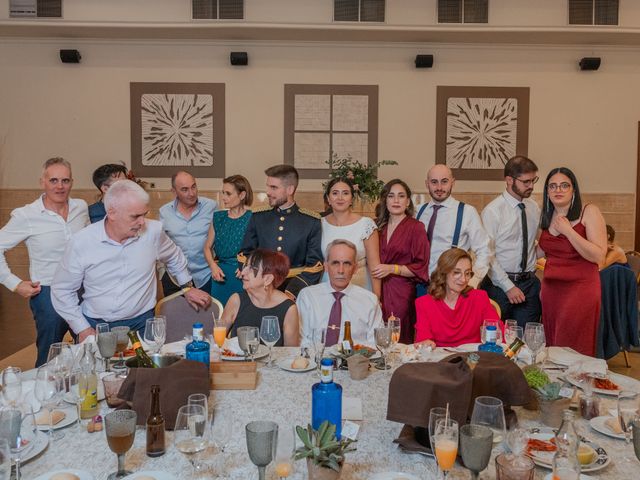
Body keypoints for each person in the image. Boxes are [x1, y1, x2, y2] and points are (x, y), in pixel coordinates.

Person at [51, 180, 211, 342]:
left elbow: (174, 256)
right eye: (135, 216)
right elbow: (62, 290)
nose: (142, 222)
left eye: (144, 214)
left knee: (144, 368)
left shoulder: (153, 232)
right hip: (97, 325)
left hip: (142, 324)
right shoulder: (82, 242)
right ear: (112, 213)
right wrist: (82, 328)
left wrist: (187, 287)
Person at [0, 157, 89, 366]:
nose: (60, 186)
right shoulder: (26, 215)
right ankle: (44, 395)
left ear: (72, 182)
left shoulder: (81, 208)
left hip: (85, 290)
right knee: (50, 357)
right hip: (49, 293)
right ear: (43, 182)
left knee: (87, 352)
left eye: (65, 181)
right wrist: (14, 283)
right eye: (54, 180)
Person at [538, 167, 607, 356]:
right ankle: (556, 385)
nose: (558, 190)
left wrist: (568, 231)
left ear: (573, 190)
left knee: (572, 345)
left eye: (564, 185)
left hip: (580, 289)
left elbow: (599, 256)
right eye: (552, 186)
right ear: (547, 192)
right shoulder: (546, 215)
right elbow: (541, 251)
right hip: (552, 291)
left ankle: (577, 384)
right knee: (552, 346)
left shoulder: (588, 211)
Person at [239, 164, 323, 300]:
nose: (268, 192)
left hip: (295, 292)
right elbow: (245, 254)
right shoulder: (257, 217)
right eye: (268, 186)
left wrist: (292, 291)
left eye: (274, 188)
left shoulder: (311, 221)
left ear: (290, 189)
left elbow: (315, 266)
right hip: (260, 290)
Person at [480, 156, 542, 328]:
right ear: (509, 180)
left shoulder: (533, 207)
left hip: (529, 284)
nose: (531, 186)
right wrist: (508, 286)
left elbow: (532, 243)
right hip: (499, 285)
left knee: (524, 339)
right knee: (496, 339)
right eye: (526, 181)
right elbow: (487, 255)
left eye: (533, 180)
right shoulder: (493, 211)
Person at [373, 179, 430, 343]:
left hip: (402, 291)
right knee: (376, 334)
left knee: (398, 337)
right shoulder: (378, 227)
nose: (396, 200)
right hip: (377, 288)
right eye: (391, 196)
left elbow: (421, 266)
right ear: (385, 200)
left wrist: (392, 269)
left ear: (408, 201)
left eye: (401, 196)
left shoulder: (416, 227)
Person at [415, 164, 491, 286]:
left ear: (452, 182)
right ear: (427, 184)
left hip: (451, 287)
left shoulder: (467, 212)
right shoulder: (418, 212)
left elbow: (484, 250)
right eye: (434, 182)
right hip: (419, 285)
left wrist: (473, 281)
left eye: (444, 182)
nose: (439, 187)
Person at [299, 239, 384, 347]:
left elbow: (376, 344)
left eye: (347, 263)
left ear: (355, 268)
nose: (341, 270)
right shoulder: (307, 296)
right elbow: (301, 340)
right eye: (335, 263)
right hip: (315, 361)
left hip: (355, 361)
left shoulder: (370, 300)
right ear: (326, 266)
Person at [415, 248, 500, 348]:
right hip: (440, 360)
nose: (463, 279)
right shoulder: (424, 303)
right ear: (443, 273)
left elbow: (498, 330)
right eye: (456, 272)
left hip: (473, 359)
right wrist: (426, 343)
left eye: (467, 273)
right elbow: (423, 340)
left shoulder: (479, 297)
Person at [221, 249, 299, 346]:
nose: (243, 272)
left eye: (252, 268)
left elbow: (291, 353)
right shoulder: (236, 300)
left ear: (268, 279)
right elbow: (217, 343)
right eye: (245, 266)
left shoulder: (288, 309)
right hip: (238, 361)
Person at [159, 171, 218, 296]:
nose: (192, 193)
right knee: (175, 315)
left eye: (193, 186)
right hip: (174, 279)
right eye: (185, 189)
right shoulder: (164, 212)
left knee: (208, 315)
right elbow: (160, 245)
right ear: (174, 191)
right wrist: (161, 271)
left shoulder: (211, 207)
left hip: (206, 276)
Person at [320, 177, 381, 297]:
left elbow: (374, 266)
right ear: (328, 198)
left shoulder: (366, 224)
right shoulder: (320, 224)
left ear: (352, 199)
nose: (340, 198)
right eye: (335, 193)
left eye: (345, 193)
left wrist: (376, 297)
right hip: (327, 286)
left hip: (360, 286)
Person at [204, 175, 253, 305]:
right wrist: (213, 266)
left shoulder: (253, 218)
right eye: (223, 193)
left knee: (243, 314)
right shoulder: (218, 217)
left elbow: (260, 248)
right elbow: (207, 247)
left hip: (244, 274)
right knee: (220, 316)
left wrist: (248, 264)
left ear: (242, 195)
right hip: (220, 275)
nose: (224, 197)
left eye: (228, 194)